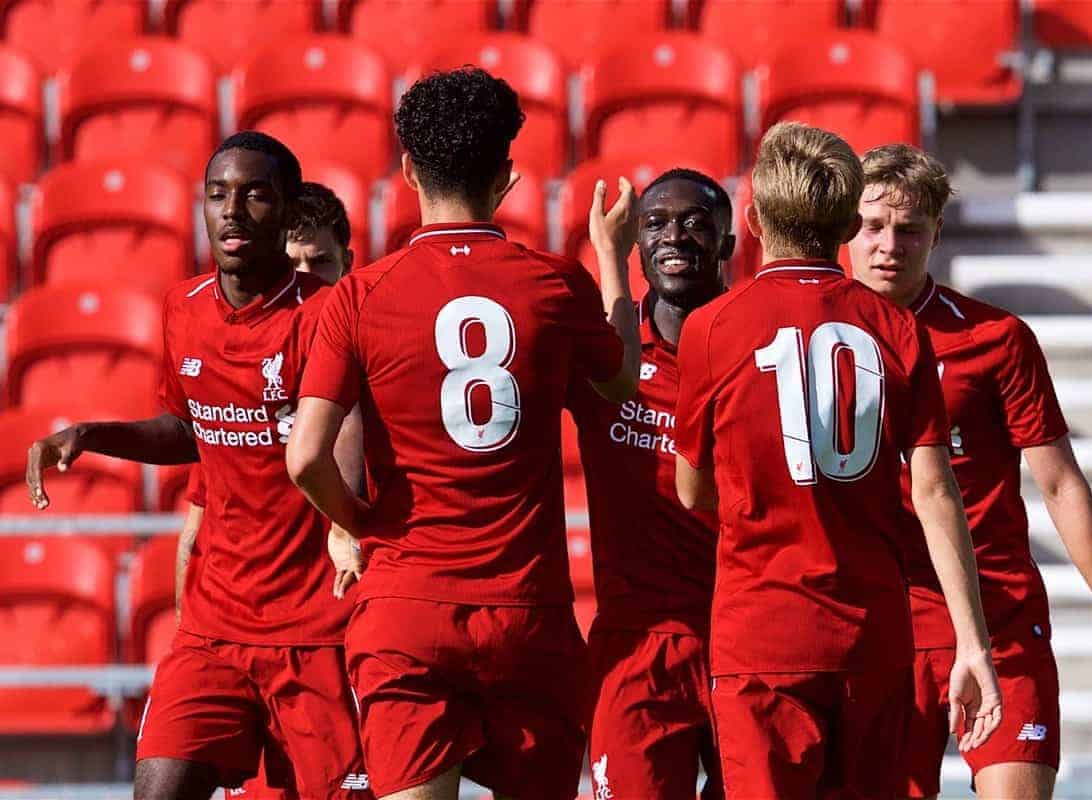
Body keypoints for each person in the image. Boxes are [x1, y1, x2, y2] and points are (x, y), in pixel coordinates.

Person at [285, 67, 641, 800]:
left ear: (409, 169)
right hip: (527, 615)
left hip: (406, 612)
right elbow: (620, 381)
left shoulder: (359, 295)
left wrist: (359, 523)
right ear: (508, 177)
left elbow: (306, 458)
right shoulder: (552, 281)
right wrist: (612, 259)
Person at [26, 132, 369, 800]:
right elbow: (190, 428)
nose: (233, 211)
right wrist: (93, 434)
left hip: (316, 631)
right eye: (218, 195)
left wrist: (346, 523)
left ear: (287, 207)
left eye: (255, 195)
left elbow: (345, 438)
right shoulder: (181, 309)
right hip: (215, 627)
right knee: (158, 789)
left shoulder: (327, 316)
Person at [672, 122, 1003, 799]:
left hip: (761, 633)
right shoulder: (901, 329)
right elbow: (937, 495)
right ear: (851, 220)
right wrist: (974, 645)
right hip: (871, 635)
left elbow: (691, 489)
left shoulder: (714, 326)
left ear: (754, 219)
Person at [847, 143, 1092, 800]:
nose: (889, 245)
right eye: (873, 226)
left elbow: (1060, 483)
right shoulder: (810, 339)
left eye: (909, 229)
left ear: (935, 233)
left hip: (999, 616)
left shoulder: (996, 339)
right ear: (845, 229)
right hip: (880, 627)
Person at [172, 180, 362, 800]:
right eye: (296, 262)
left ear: (349, 266)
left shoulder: (367, 371)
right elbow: (200, 510)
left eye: (322, 265)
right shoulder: (245, 377)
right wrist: (191, 634)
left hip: (331, 639)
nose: (307, 279)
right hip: (235, 638)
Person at [568, 168, 733, 800]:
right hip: (636, 643)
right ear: (634, 244)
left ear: (727, 243)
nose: (675, 238)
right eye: (657, 223)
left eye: (695, 223)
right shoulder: (603, 357)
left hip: (742, 636)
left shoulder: (759, 344)